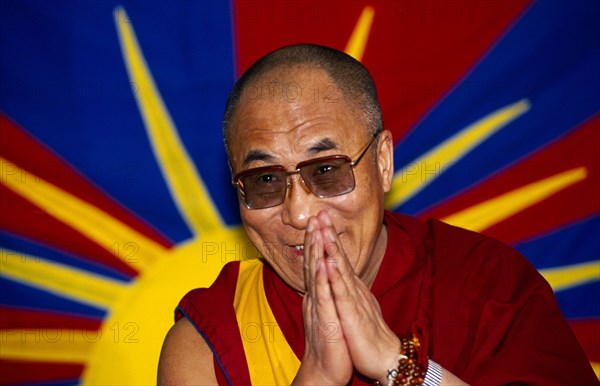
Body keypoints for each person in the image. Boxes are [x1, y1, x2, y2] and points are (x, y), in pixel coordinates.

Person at [158, 44, 598, 385]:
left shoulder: (488, 287)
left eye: (326, 170)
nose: (300, 211)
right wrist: (317, 377)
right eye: (265, 181)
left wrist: (397, 364)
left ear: (383, 162)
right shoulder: (210, 343)